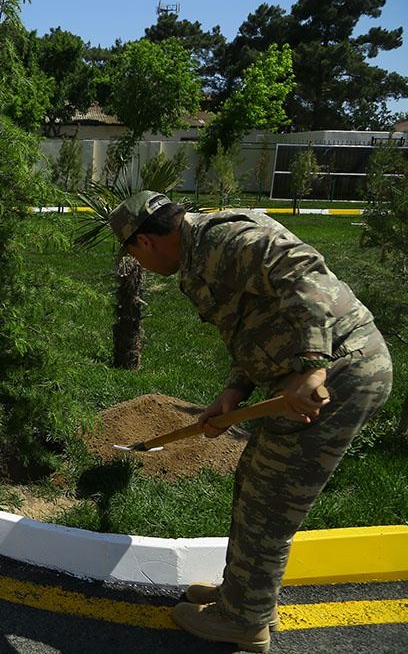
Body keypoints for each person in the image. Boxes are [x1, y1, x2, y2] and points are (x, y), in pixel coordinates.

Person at [108, 191, 392, 653]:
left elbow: (303, 270)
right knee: (254, 483)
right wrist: (236, 391)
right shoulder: (200, 252)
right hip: (316, 372)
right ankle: (244, 596)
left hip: (340, 374)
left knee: (270, 503)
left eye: (132, 253)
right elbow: (258, 321)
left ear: (145, 241)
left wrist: (313, 366)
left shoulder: (226, 239)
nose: (136, 262)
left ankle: (244, 621)